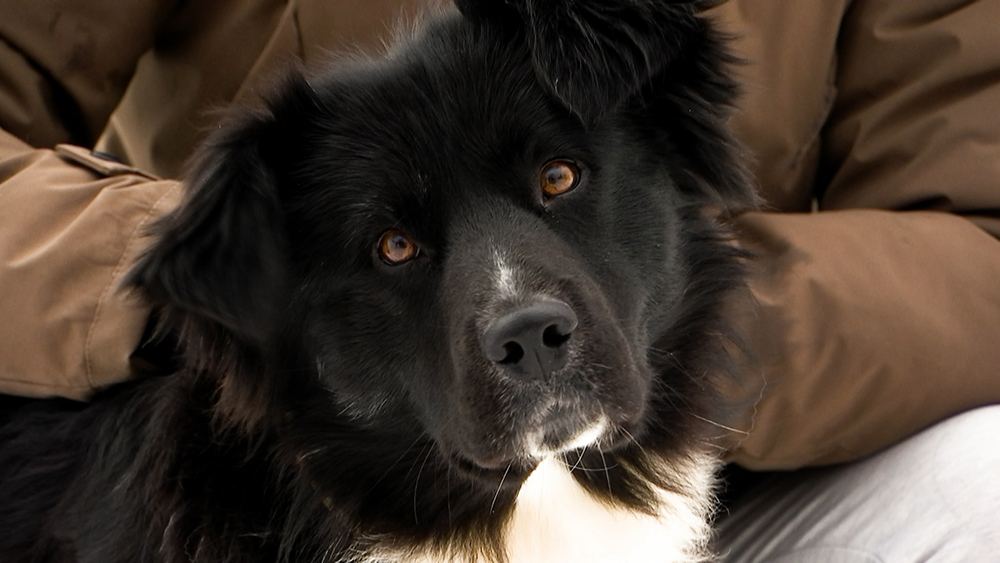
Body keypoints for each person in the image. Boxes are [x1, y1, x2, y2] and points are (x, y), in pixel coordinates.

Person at [1, 0, 999, 559]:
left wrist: (662, 333)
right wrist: (242, 286)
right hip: (332, 487)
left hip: (763, 468)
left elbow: (976, 243)